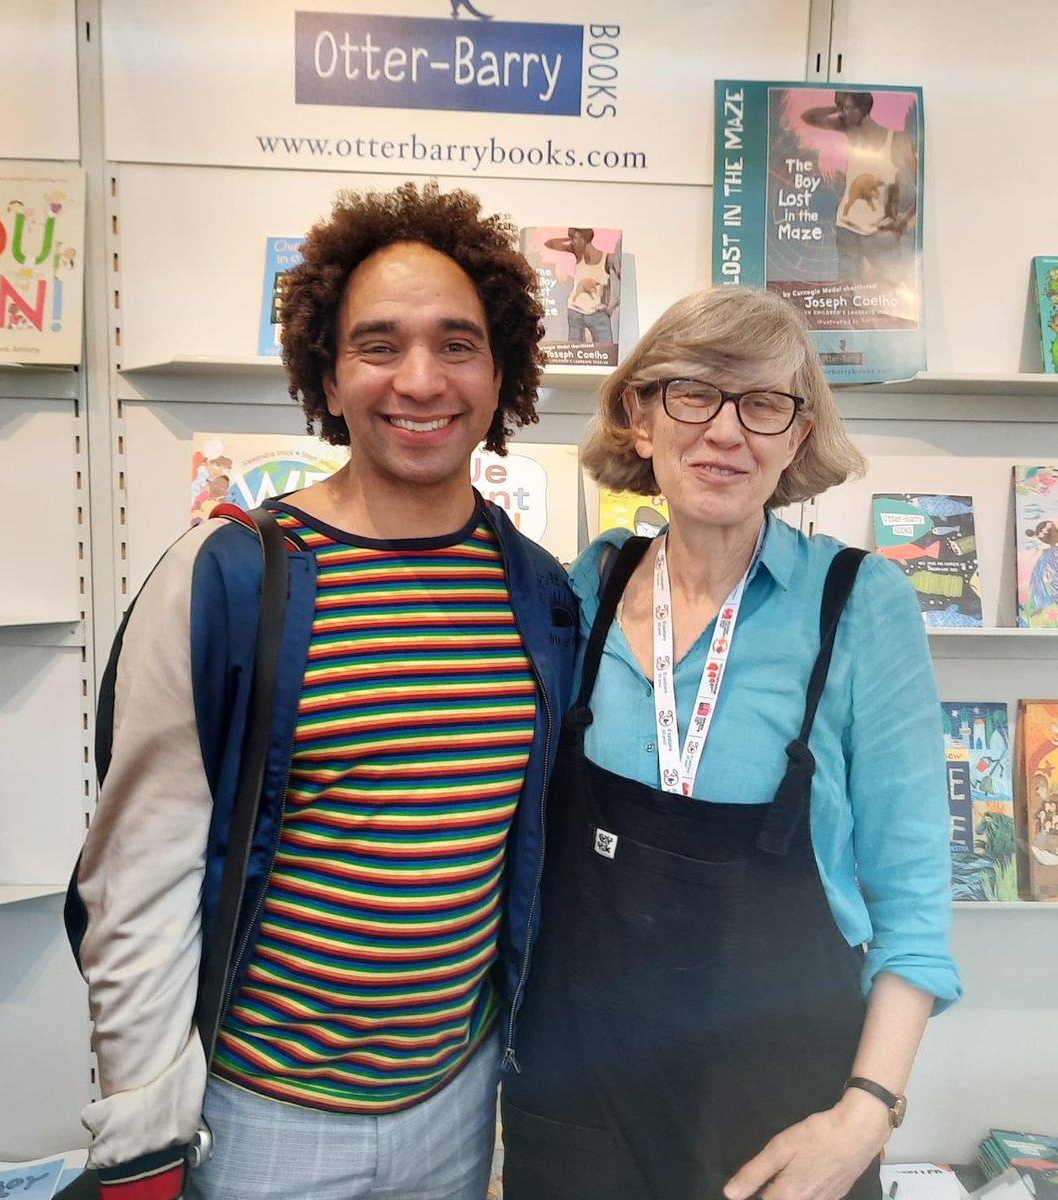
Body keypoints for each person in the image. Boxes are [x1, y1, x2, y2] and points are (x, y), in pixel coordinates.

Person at [64, 180, 577, 1200]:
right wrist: (143, 1143)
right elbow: (136, 885)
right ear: (328, 377)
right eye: (379, 345)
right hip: (261, 1123)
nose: (420, 380)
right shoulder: (231, 574)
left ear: (502, 371)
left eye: (457, 344)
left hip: (459, 1105)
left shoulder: (540, 594)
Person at [501, 286, 961, 1200]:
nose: (725, 431)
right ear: (638, 416)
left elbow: (914, 906)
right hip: (577, 1115)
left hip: (783, 1126)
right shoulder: (577, 597)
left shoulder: (860, 607)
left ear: (796, 436)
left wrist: (865, 1113)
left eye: (762, 404)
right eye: (692, 394)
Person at [802, 91, 918, 287]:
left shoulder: (897, 141)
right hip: (846, 229)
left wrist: (903, 220)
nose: (841, 114)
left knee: (895, 291)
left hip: (880, 234)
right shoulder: (850, 130)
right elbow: (809, 117)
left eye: (845, 108)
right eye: (838, 107)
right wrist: (840, 109)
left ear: (863, 109)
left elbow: (920, 186)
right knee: (845, 293)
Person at [543, 228, 621, 346]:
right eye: (572, 238)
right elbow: (549, 244)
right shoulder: (578, 255)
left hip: (598, 314)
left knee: (607, 351)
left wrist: (612, 306)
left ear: (584, 238)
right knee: (574, 353)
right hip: (575, 312)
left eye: (575, 238)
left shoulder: (608, 258)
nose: (572, 242)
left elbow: (624, 282)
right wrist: (571, 239)